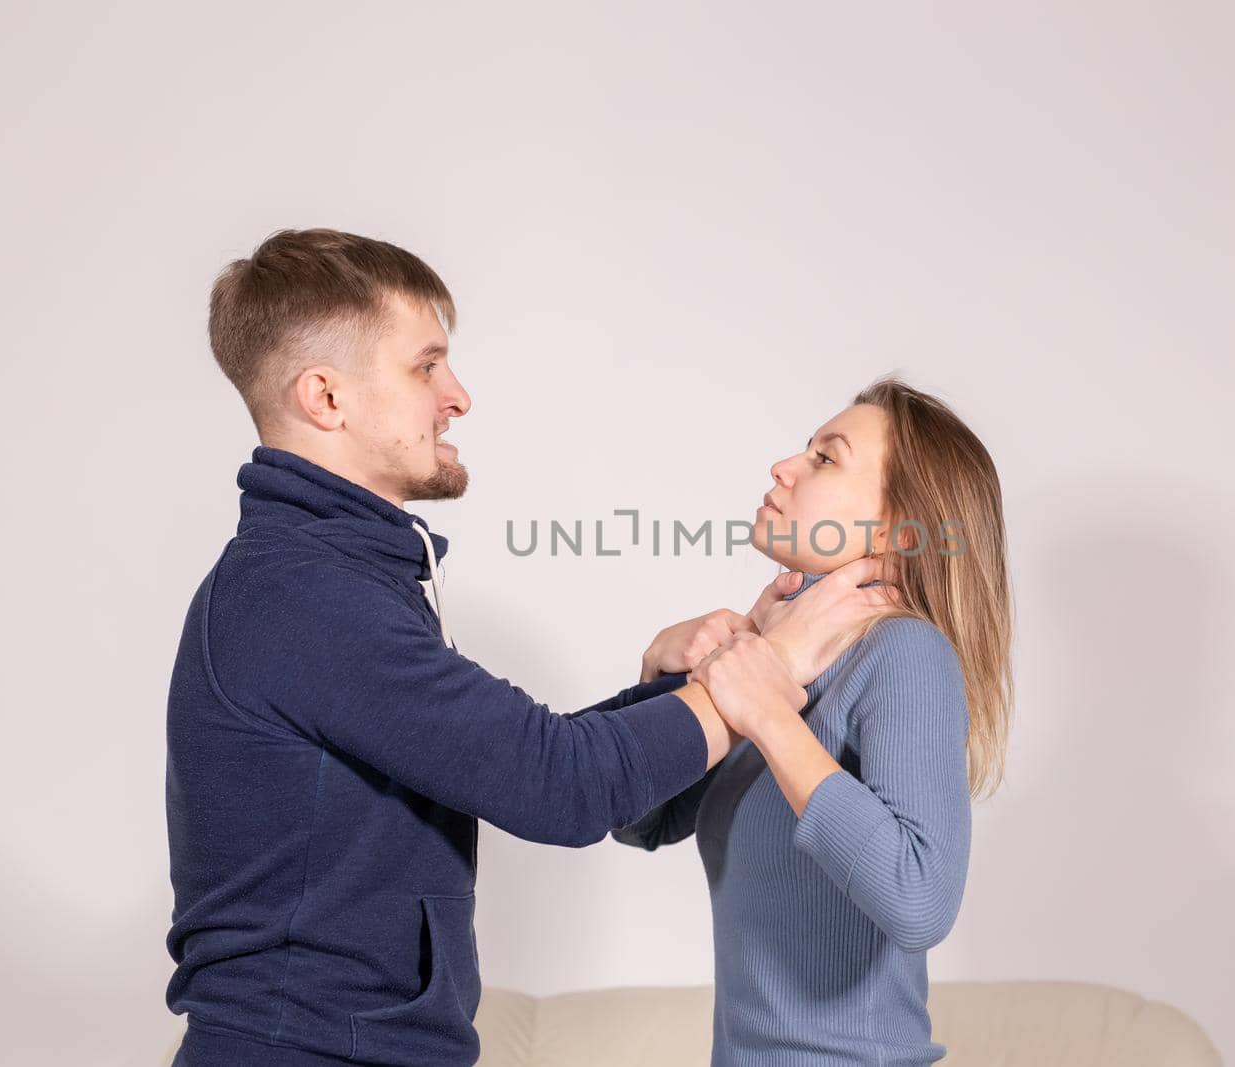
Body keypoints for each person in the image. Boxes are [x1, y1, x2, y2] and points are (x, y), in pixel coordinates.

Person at [164, 227, 896, 1067]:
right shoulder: (303, 593)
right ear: (326, 398)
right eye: (425, 366)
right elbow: (559, 785)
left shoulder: (333, 577)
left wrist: (679, 684)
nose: (458, 395)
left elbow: (520, 756)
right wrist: (760, 674)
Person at [616, 376, 1016, 1066]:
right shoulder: (780, 660)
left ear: (897, 527)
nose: (784, 466)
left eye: (826, 458)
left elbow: (920, 900)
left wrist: (769, 714)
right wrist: (663, 675)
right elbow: (639, 822)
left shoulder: (903, 651)